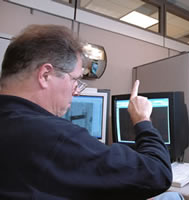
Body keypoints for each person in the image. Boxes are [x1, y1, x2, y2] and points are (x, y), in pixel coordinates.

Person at [0, 24, 173, 199]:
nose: (76, 91)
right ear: (45, 75)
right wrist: (142, 119)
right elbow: (158, 173)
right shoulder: (53, 136)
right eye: (75, 80)